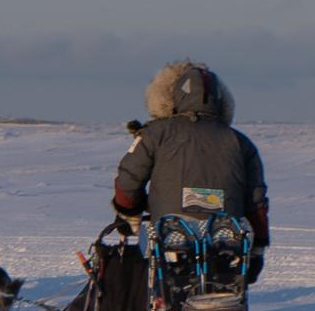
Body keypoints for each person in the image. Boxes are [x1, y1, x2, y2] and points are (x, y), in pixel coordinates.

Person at [112, 60, 269, 284]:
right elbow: (256, 204)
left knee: (165, 287)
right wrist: (257, 251)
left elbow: (128, 183)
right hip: (226, 241)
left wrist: (129, 214)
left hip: (168, 238)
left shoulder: (155, 134)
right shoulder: (241, 143)